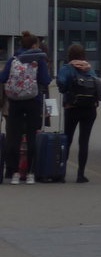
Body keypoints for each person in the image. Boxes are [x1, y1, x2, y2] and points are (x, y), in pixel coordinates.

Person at [2, 30, 52, 184]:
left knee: (14, 138)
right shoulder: (39, 60)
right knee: (32, 137)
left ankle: (15, 173)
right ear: (34, 45)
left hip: (15, 102)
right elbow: (46, 80)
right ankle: (30, 173)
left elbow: (3, 78)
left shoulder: (13, 59)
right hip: (33, 102)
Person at [56, 43, 101, 183]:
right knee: (84, 141)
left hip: (72, 108)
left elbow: (61, 84)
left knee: (68, 140)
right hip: (90, 109)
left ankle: (62, 173)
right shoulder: (90, 69)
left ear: (69, 55)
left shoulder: (67, 68)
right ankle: (80, 174)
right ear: (83, 55)